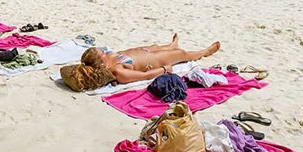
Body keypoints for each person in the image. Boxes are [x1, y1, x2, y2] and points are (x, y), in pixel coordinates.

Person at [80, 35, 221, 84]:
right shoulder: (117, 72)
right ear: (100, 61)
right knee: (182, 54)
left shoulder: (109, 58)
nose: (106, 52)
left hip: (147, 51)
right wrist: (164, 70)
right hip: (154, 61)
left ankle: (170, 45)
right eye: (102, 53)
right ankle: (205, 52)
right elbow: (144, 76)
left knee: (157, 47)